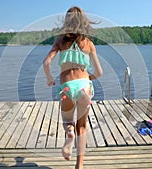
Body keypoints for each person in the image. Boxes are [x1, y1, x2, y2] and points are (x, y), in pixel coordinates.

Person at [43, 6, 103, 169]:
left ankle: (69, 134)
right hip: (84, 86)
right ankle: (80, 165)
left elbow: (46, 62)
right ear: (83, 21)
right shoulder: (89, 43)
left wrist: (49, 78)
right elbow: (99, 72)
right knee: (82, 126)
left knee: (68, 121)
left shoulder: (60, 41)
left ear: (67, 21)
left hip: (67, 87)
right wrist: (88, 79)